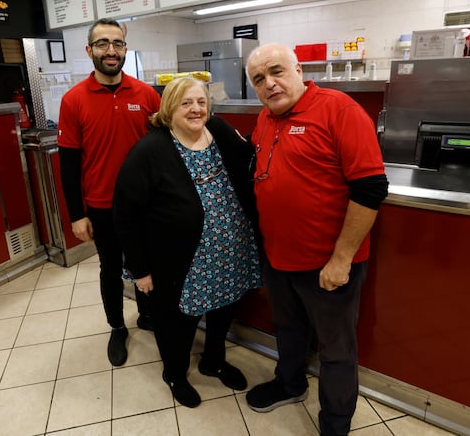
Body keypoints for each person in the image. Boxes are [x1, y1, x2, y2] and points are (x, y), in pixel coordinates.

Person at [243, 43, 388, 435]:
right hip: (278, 257)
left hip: (328, 264)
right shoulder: (265, 118)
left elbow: (371, 189)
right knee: (288, 328)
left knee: (336, 350)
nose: (269, 84)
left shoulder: (340, 111)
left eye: (276, 71)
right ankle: (290, 384)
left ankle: (335, 424)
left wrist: (341, 260)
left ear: (299, 69)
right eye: (259, 79)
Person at [113, 76, 262, 408]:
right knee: (177, 322)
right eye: (186, 103)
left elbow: (251, 154)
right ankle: (175, 374)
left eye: (201, 102)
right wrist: (140, 270)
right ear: (169, 108)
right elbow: (125, 215)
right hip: (181, 259)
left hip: (231, 250)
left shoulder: (220, 131)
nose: (196, 109)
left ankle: (213, 361)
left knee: (225, 309)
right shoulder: (150, 151)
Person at [57, 18, 161, 367]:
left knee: (146, 263)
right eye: (102, 44)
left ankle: (148, 315)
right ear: (90, 51)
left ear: (125, 50)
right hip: (102, 206)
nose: (111, 50)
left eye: (117, 43)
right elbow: (69, 164)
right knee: (111, 268)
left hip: (146, 206)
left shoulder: (146, 95)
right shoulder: (74, 101)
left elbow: (163, 150)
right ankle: (117, 327)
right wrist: (76, 214)